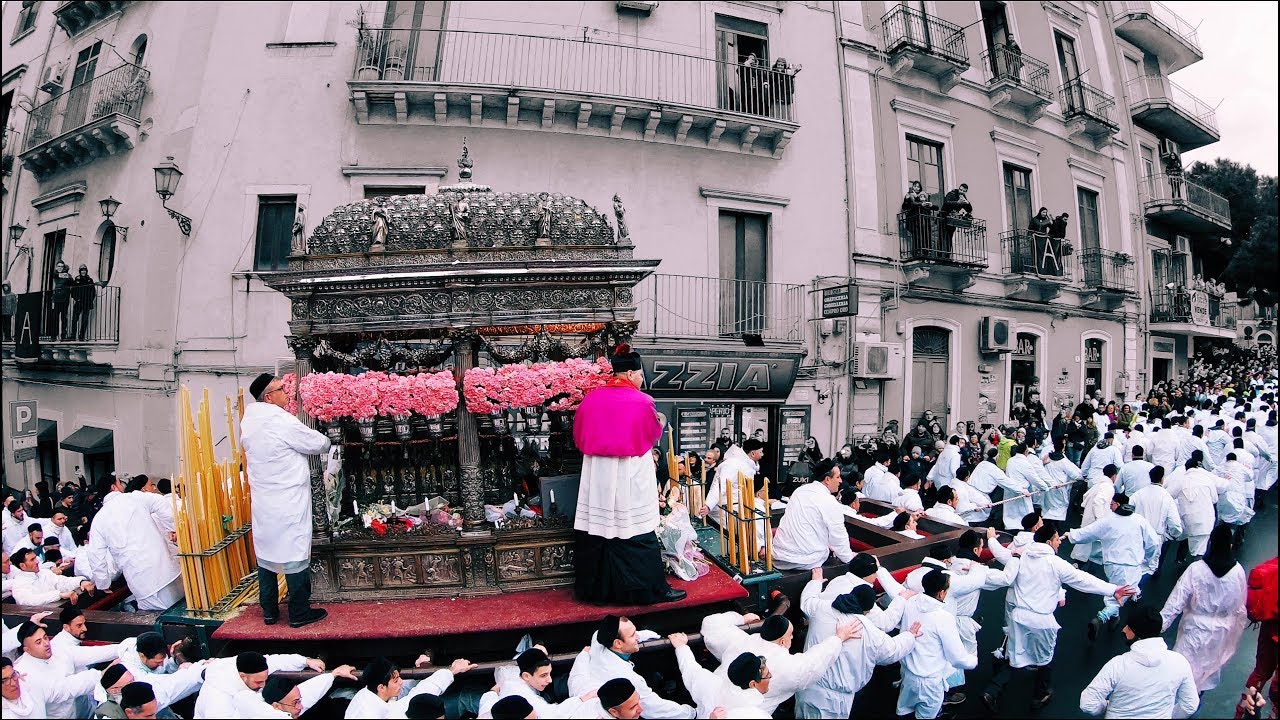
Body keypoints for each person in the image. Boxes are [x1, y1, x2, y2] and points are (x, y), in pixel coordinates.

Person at [983, 525, 1137, 713]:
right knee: (1045, 659)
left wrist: (991, 539)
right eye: (1057, 539)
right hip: (1042, 620)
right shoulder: (1055, 563)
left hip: (1018, 617)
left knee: (1014, 655)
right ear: (1049, 542)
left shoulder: (1020, 557)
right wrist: (1112, 589)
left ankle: (993, 690)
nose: (1059, 542)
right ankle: (1041, 694)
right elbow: (1082, 580)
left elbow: (1000, 554)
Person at [572, 345, 683, 605]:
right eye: (641, 375)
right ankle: (651, 590)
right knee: (638, 531)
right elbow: (651, 433)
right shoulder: (642, 401)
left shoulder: (591, 398)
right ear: (631, 374)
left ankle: (593, 592)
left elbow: (578, 435)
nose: (642, 379)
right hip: (630, 472)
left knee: (598, 533)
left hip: (598, 472)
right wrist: (662, 422)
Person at [242, 372, 332, 627]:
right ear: (269, 397)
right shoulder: (278, 420)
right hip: (287, 498)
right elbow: (315, 443)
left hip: (263, 499)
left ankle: (269, 611)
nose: (287, 392)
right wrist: (329, 440)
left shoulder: (250, 421)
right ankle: (299, 613)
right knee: (294, 551)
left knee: (267, 552)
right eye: (281, 389)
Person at [796, 574, 918, 718]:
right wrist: (910, 636)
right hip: (832, 700)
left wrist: (815, 582)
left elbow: (807, 600)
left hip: (807, 687)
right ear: (868, 609)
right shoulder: (868, 630)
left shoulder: (821, 608)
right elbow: (892, 651)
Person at [1160, 525, 1249, 694]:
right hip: (1220, 632)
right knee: (1205, 673)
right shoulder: (1238, 572)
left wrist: (1159, 624)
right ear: (1230, 545)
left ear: (1211, 543)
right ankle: (1194, 702)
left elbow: (1177, 600)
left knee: (1182, 669)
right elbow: (1240, 607)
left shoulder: (1197, 569)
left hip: (1194, 628)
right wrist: (1233, 634)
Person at [1079, 604, 1199, 718]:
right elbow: (1190, 705)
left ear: (1136, 633)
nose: (1124, 630)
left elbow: (1088, 703)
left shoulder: (1118, 665)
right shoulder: (1179, 663)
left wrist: (1107, 707)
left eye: (1128, 627)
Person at [82, 475, 182, 611]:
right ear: (114, 487)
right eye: (120, 483)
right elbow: (159, 501)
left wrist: (103, 583)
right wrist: (172, 528)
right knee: (179, 609)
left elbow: (95, 555)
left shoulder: (99, 519)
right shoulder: (134, 498)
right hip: (167, 569)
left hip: (141, 579)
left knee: (159, 619)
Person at [1066, 493, 1159, 638]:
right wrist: (1147, 558)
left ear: (1117, 504)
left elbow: (1088, 532)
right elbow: (1153, 542)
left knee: (1117, 591)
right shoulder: (1140, 520)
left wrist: (1070, 535)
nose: (1110, 506)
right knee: (1122, 594)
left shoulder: (1108, 521)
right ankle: (1101, 617)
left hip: (1111, 564)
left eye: (1112, 504)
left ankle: (1114, 618)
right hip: (1131, 564)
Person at [568, 616, 695, 719]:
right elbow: (654, 709)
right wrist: (691, 713)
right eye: (632, 635)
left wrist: (650, 635)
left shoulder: (598, 637)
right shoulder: (628, 678)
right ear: (618, 643)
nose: (637, 637)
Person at [897, 569, 978, 720]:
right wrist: (972, 659)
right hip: (930, 683)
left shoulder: (910, 603)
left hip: (908, 677)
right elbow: (957, 658)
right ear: (941, 593)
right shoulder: (943, 618)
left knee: (904, 713)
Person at [770, 460, 854, 570]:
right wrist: (850, 559)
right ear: (827, 479)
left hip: (779, 556)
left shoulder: (799, 491)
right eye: (838, 477)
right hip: (805, 561)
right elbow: (838, 537)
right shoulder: (829, 501)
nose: (841, 481)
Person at [195, 651, 329, 718]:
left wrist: (306, 661)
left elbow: (276, 660)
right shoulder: (218, 698)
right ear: (242, 676)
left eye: (265, 680)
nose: (264, 685)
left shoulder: (247, 667)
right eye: (259, 682)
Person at [12, 620, 104, 719]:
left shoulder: (56, 649)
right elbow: (66, 688)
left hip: (80, 710)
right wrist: (103, 674)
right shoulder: (23, 675)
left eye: (45, 637)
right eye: (38, 642)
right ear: (27, 650)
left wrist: (118, 649)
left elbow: (90, 654)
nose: (46, 643)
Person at [669, 634, 770, 717]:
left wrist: (681, 647)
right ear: (752, 684)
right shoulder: (757, 715)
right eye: (767, 675)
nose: (771, 676)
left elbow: (690, 669)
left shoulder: (711, 683)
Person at [478, 647, 595, 718]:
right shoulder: (526, 698)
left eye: (549, 673)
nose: (549, 679)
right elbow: (552, 715)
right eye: (543, 675)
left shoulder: (511, 675)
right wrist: (583, 698)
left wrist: (493, 691)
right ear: (526, 676)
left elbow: (487, 700)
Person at [2, 654, 100, 720]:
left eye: (13, 675)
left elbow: (66, 688)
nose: (13, 683)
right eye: (4, 681)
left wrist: (101, 675)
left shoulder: (30, 686)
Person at [1131, 467, 1182, 576]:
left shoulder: (1138, 494)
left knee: (1135, 565)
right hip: (1156, 537)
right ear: (1162, 478)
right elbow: (1174, 522)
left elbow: (1128, 510)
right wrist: (1175, 534)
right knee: (1150, 568)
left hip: (1137, 535)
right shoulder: (1166, 497)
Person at [7, 548, 92, 605]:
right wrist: (59, 595)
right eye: (32, 560)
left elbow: (61, 581)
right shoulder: (18, 584)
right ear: (22, 566)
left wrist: (80, 581)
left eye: (35, 558)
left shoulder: (44, 573)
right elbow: (31, 600)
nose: (37, 562)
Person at [69, 265, 97, 341]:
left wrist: (90, 299)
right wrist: (76, 299)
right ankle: (73, 335)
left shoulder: (90, 280)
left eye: (84, 270)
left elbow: (93, 292)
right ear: (80, 271)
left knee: (84, 320)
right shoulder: (77, 280)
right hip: (78, 302)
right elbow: (73, 291)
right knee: (75, 319)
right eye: (82, 270)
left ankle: (81, 336)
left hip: (87, 303)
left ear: (86, 271)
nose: (83, 271)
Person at [49, 261, 73, 340]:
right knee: (55, 317)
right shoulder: (56, 275)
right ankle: (53, 335)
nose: (60, 268)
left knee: (64, 318)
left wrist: (67, 277)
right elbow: (52, 274)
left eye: (61, 266)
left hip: (65, 299)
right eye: (58, 266)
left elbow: (72, 282)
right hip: (56, 299)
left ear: (64, 267)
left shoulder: (68, 276)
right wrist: (64, 275)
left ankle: (63, 335)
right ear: (56, 267)